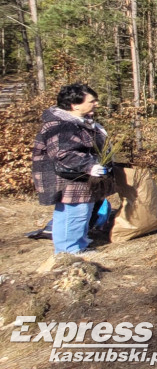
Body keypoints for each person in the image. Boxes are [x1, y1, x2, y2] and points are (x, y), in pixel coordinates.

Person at [31, 83, 115, 255]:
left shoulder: (78, 122)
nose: (96, 104)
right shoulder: (61, 125)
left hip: (79, 178)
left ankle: (78, 245)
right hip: (70, 179)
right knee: (74, 214)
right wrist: (90, 166)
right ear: (75, 105)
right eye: (92, 101)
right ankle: (69, 251)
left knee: (81, 212)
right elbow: (64, 153)